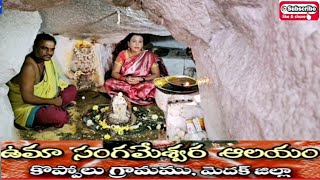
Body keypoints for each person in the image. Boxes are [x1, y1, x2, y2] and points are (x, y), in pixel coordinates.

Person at [7, 33, 77, 129]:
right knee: (60, 117)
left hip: (47, 98)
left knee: (72, 89)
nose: (49, 53)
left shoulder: (47, 60)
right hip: (27, 107)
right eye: (44, 48)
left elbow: (56, 79)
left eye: (52, 49)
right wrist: (52, 101)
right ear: (35, 47)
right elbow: (27, 98)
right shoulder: (29, 67)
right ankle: (49, 113)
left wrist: (55, 96)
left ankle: (54, 108)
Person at [104, 33, 168, 105]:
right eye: (134, 41)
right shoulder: (123, 54)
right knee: (108, 83)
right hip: (126, 82)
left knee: (156, 85)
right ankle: (138, 95)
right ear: (129, 43)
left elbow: (156, 75)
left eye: (140, 42)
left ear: (143, 44)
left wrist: (141, 79)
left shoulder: (149, 55)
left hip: (143, 83)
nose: (137, 44)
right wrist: (125, 79)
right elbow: (114, 73)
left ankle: (128, 95)